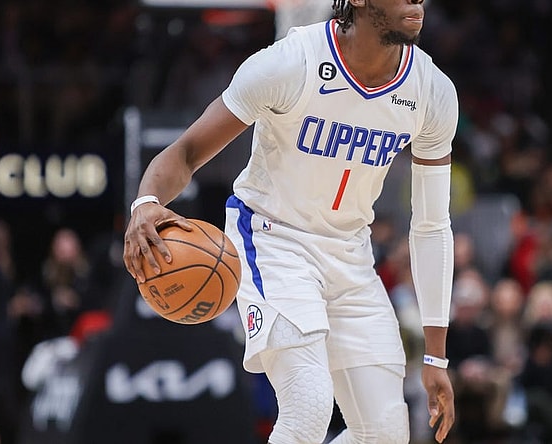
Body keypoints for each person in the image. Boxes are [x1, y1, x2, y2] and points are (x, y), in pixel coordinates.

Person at [123, 1, 458, 443]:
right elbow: (186, 152)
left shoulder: (431, 91)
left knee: (385, 434)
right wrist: (145, 201)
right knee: (308, 407)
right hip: (271, 238)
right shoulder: (289, 64)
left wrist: (435, 358)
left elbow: (432, 227)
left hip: (351, 255)